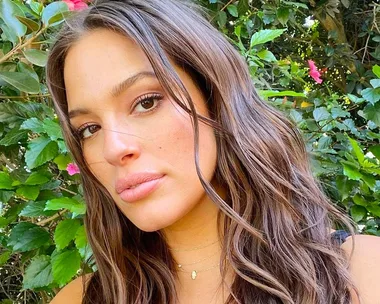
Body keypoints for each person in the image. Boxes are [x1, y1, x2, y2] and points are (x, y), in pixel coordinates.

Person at [46, 0, 380, 303]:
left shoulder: (364, 275)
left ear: (215, 97)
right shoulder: (75, 300)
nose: (113, 149)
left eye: (146, 103)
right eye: (89, 129)